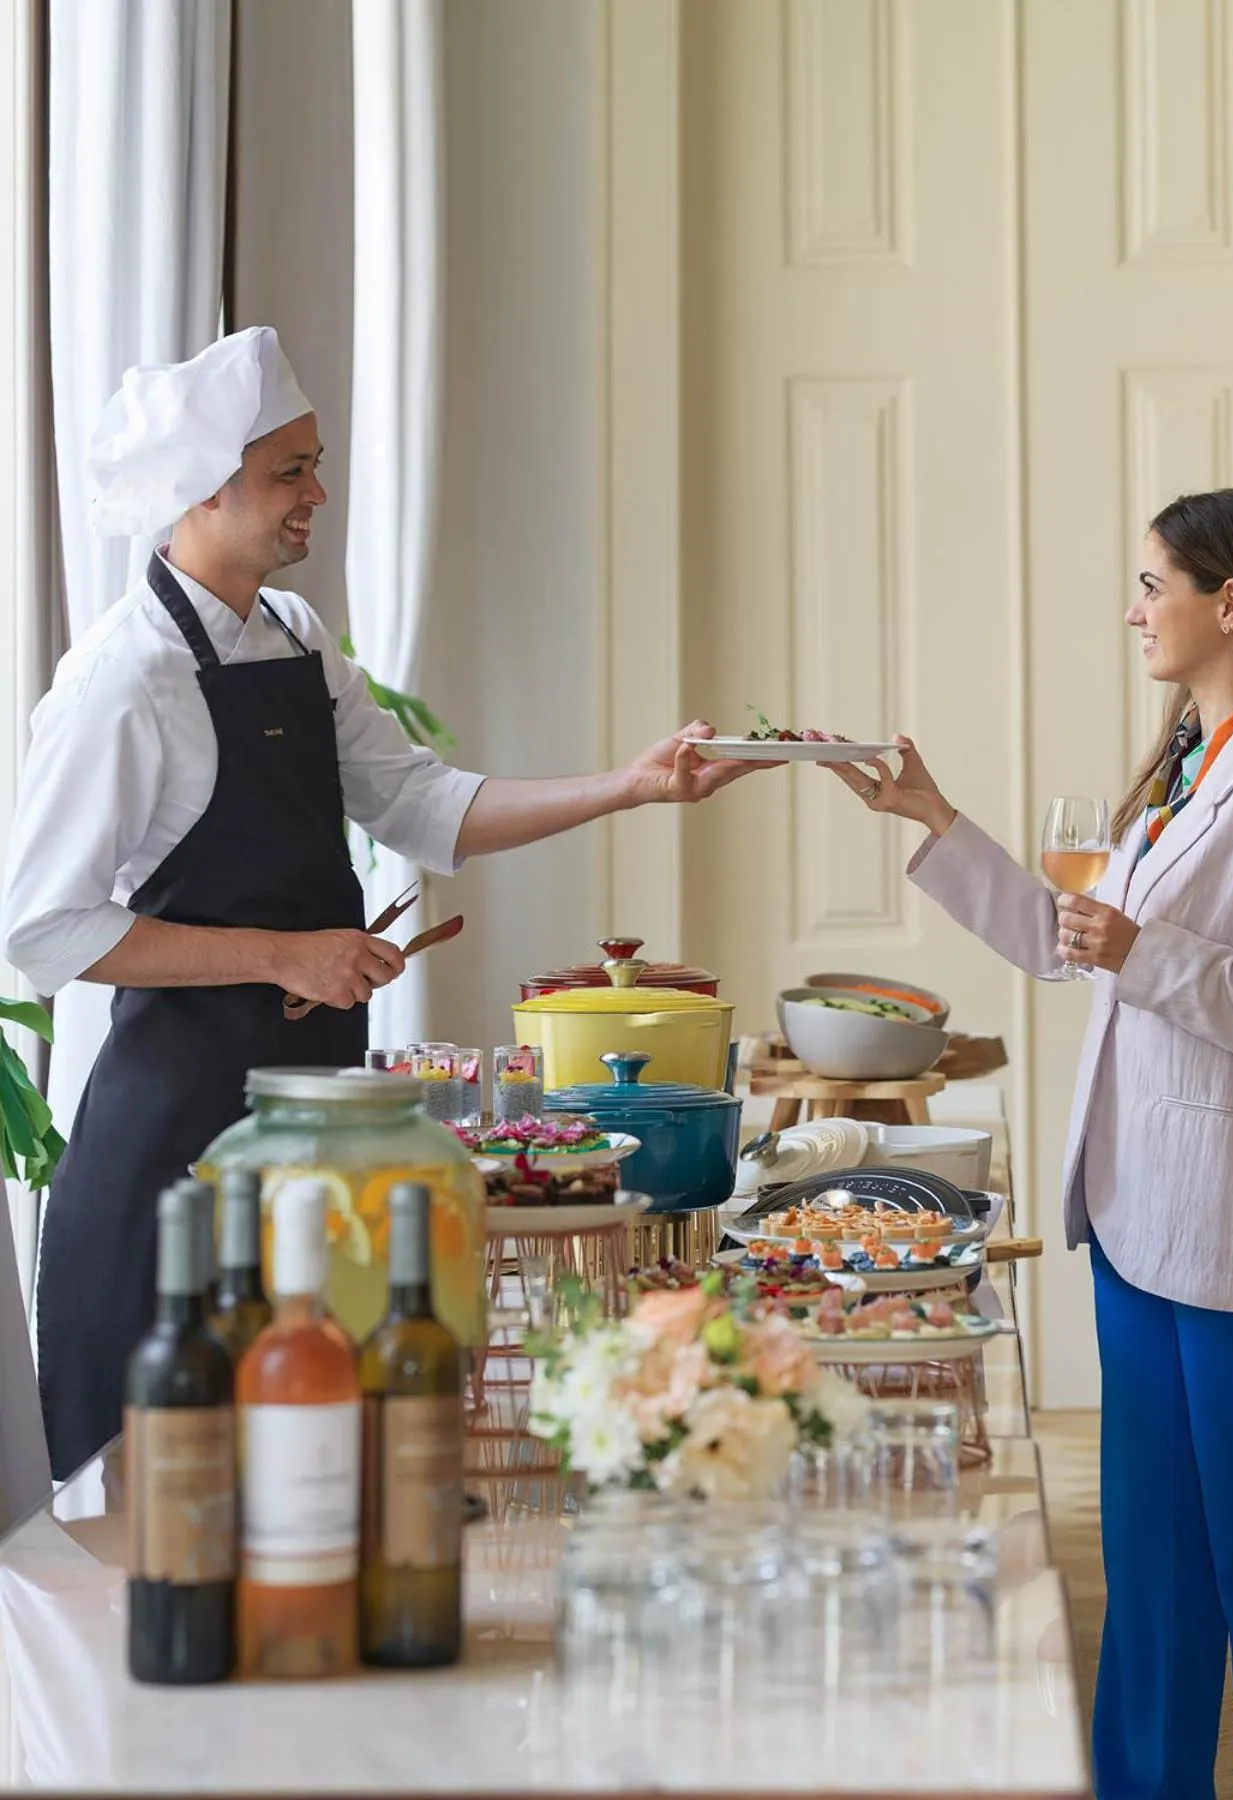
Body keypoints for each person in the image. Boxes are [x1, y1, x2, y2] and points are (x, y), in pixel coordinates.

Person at [0, 325, 767, 1481]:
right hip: (176, 1153)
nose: (319, 493)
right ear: (204, 491)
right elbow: (42, 928)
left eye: (316, 463)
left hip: (310, 1142)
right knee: (156, 1516)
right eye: (289, 472)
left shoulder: (294, 637)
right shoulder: (125, 681)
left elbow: (423, 806)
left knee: (303, 1476)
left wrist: (633, 785)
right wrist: (285, 957)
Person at [830, 489, 1233, 1798]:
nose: (1134, 612)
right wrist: (933, 819)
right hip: (1134, 1216)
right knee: (1153, 1564)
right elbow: (1059, 942)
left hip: (1230, 1228)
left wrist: (1151, 952)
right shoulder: (1181, 769)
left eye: (1151, 586)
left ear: (1229, 601)